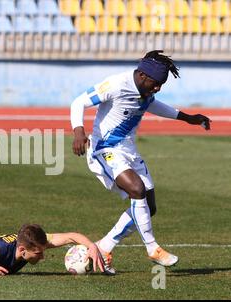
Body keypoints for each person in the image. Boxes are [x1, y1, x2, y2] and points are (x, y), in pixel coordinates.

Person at [70, 50, 211, 275]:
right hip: (104, 149)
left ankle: (104, 247)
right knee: (137, 190)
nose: (157, 88)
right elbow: (79, 102)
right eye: (156, 84)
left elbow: (153, 105)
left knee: (149, 206)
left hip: (128, 151)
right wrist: (79, 132)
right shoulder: (116, 84)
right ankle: (152, 248)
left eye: (161, 85)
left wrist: (187, 118)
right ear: (143, 76)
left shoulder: (145, 91)